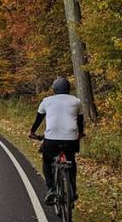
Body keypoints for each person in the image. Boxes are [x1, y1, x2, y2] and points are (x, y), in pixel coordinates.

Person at [27, 76, 84, 204]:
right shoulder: (76, 101)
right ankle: (73, 190)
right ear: (68, 89)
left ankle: (51, 189)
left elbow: (38, 119)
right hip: (71, 139)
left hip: (51, 139)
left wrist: (32, 132)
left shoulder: (46, 101)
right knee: (71, 160)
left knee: (47, 159)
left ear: (54, 89)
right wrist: (80, 133)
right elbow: (80, 121)